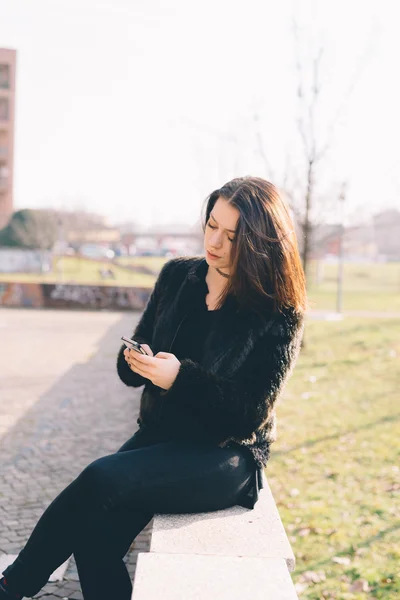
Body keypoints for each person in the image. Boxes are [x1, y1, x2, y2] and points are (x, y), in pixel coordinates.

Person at [0, 176, 307, 600]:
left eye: (231, 235)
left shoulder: (276, 308)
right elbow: (131, 366)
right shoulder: (178, 276)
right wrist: (138, 363)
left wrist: (182, 378)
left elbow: (248, 411)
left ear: (259, 244)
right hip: (162, 438)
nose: (214, 240)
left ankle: (14, 585)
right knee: (95, 540)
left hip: (227, 454)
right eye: (211, 224)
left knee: (99, 476)